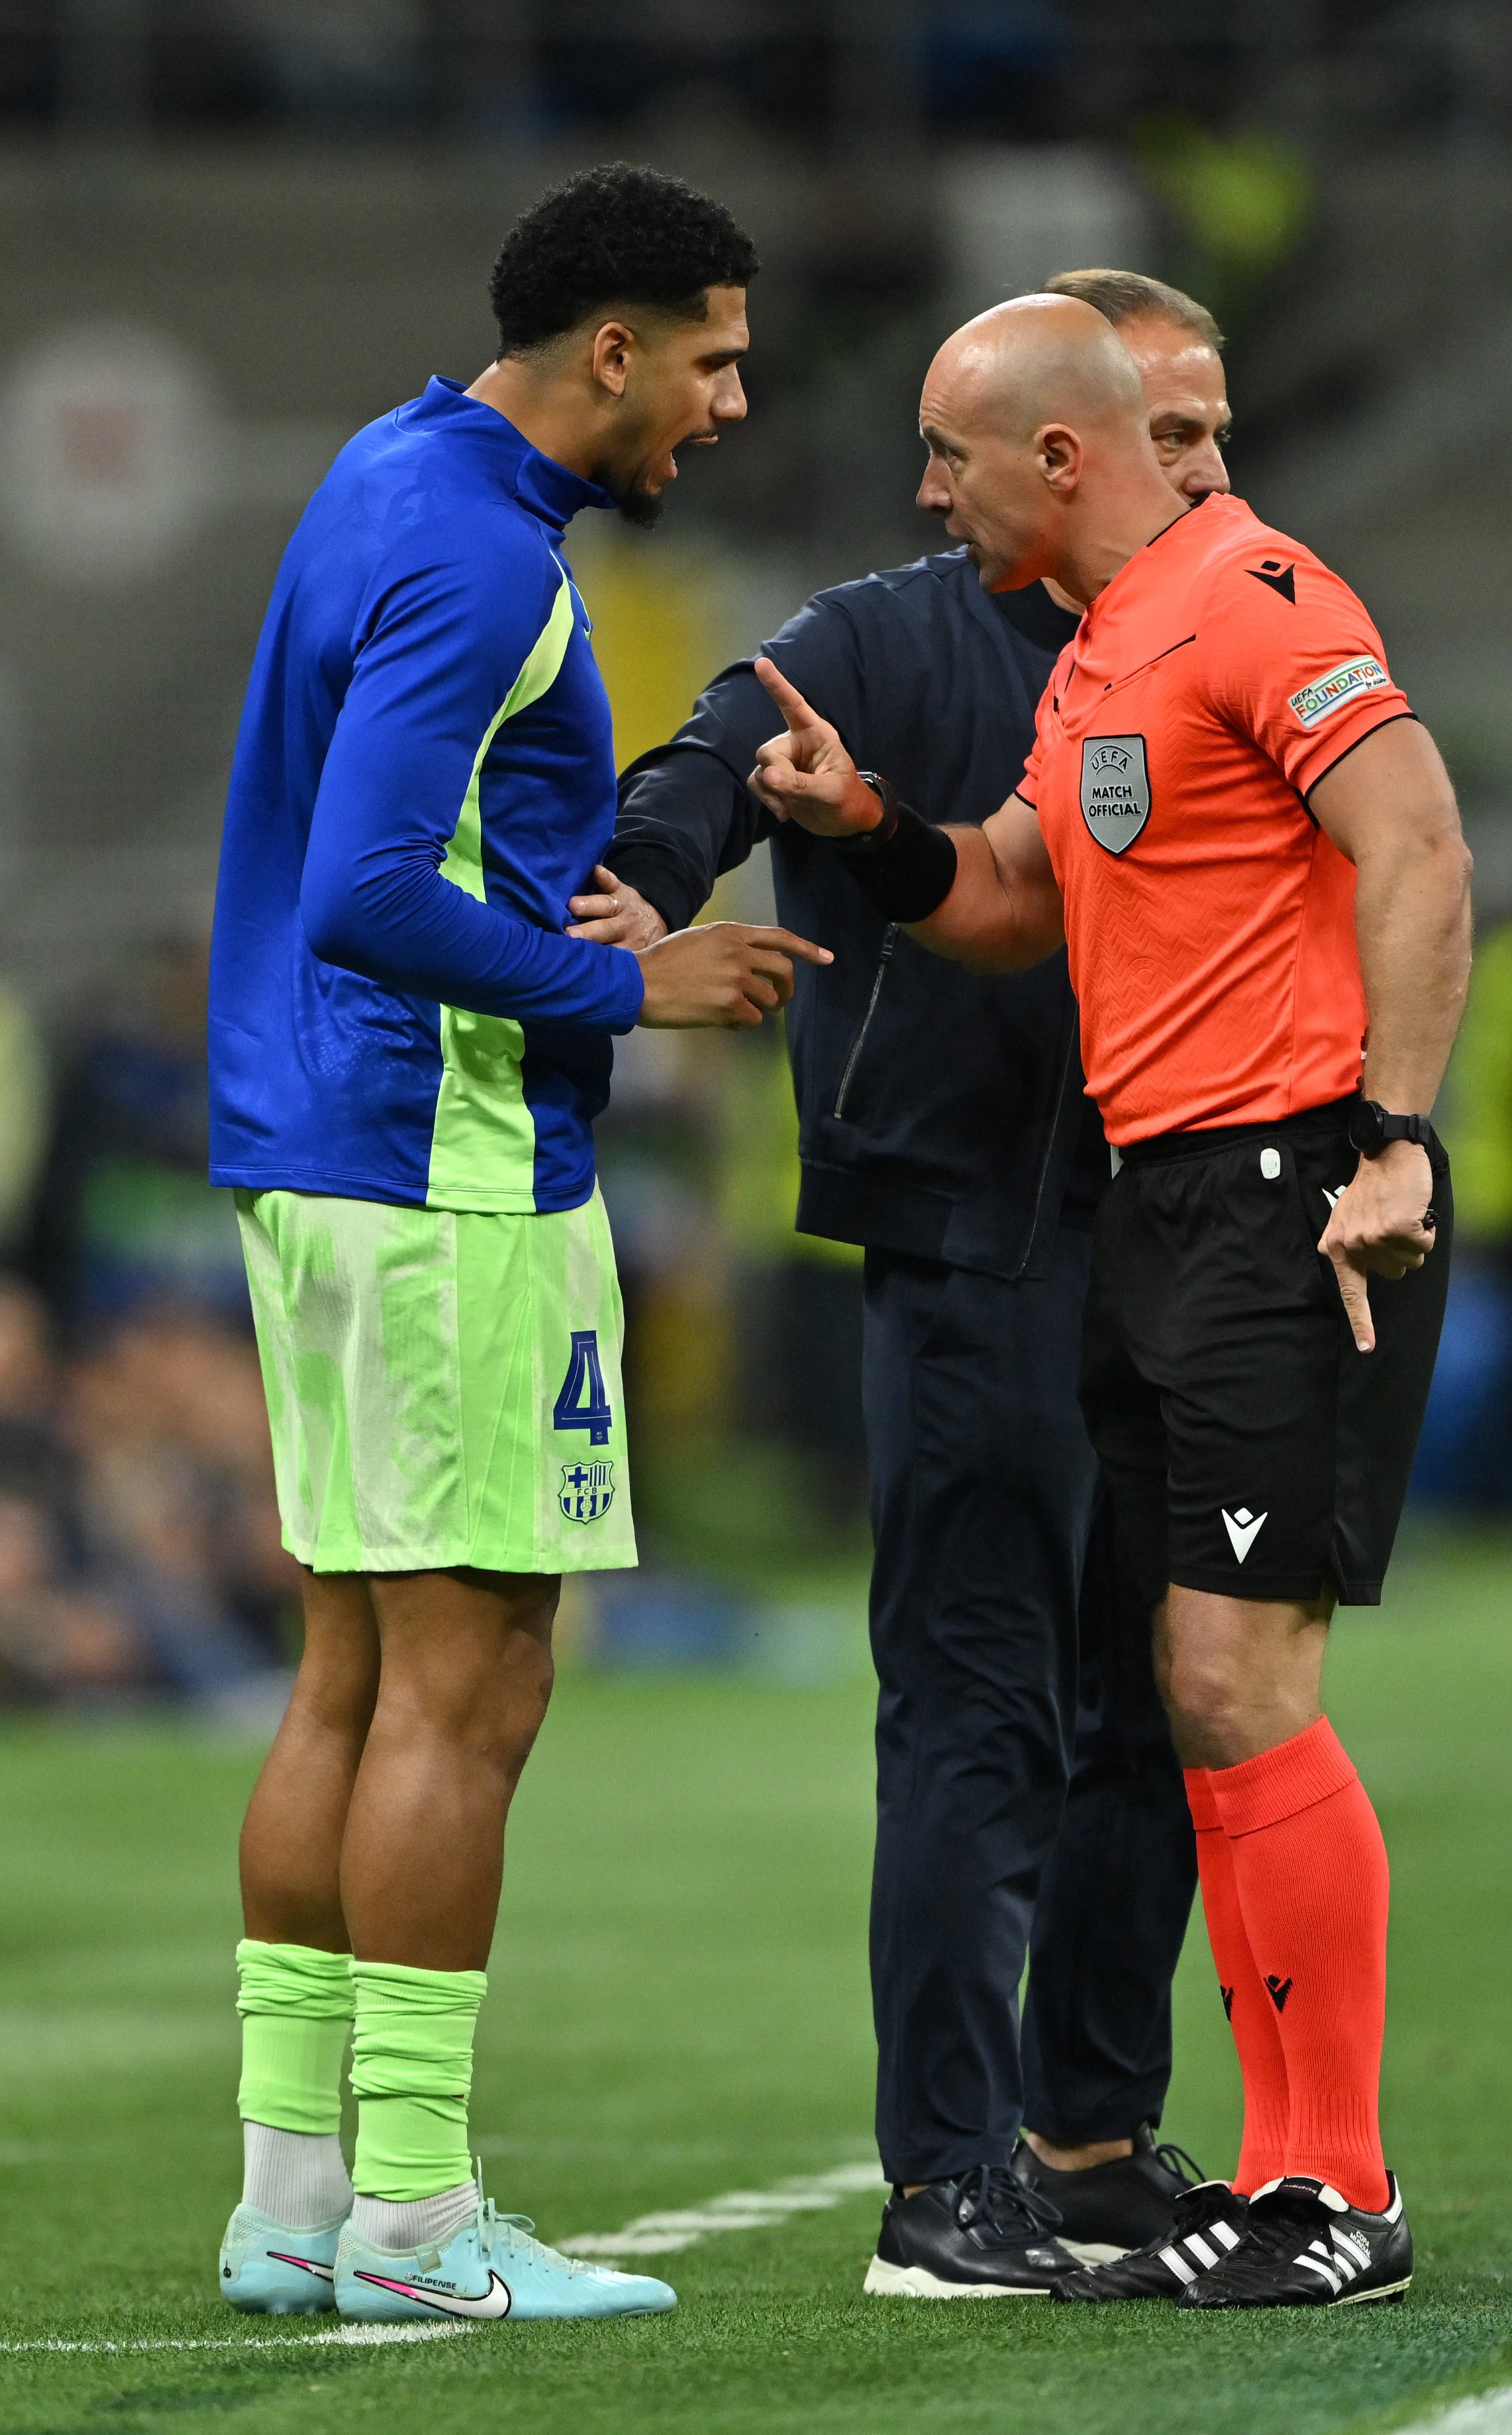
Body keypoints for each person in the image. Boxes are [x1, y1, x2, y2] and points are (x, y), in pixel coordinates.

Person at [752, 294, 1471, 2310]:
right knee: (1191, 1695)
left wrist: (1392, 1140)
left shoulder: (1254, 595)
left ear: (1055, 458)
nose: (923, 487)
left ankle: (1335, 2181)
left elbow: (1416, 841)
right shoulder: (1093, 660)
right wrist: (863, 830)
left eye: (945, 451)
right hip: (1158, 1210)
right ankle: (1283, 2172)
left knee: (1242, 1686)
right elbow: (1007, 896)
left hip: (1289, 1196)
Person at [206, 161, 827, 2328]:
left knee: (353, 1674)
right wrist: (629, 991)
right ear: (613, 350)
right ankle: (412, 2221)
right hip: (445, 1169)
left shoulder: (392, 471)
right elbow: (373, 886)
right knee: (470, 1691)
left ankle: (295, 2195)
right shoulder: (482, 554)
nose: (734, 404)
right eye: (719, 358)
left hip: (318, 1152)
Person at [587, 272, 1230, 2297]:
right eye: (1175, 433)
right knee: (979, 1710)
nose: (1203, 469)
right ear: (1083, 436)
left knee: (1159, 1710)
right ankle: (946, 2183)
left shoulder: (1243, 641)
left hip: (1189, 1244)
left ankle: (1093, 2139)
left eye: (1216, 435)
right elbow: (709, 761)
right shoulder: (872, 637)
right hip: (970, 1241)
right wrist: (648, 885)